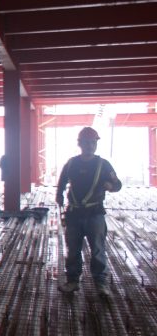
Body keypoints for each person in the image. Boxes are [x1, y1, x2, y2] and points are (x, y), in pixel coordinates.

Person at [54, 127, 121, 297]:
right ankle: (73, 281)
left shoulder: (103, 165)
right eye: (87, 143)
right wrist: (60, 198)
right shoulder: (71, 163)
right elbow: (61, 183)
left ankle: (101, 283)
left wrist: (111, 186)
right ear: (80, 144)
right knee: (73, 249)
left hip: (94, 214)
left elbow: (118, 184)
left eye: (93, 143)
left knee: (98, 249)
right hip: (74, 214)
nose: (90, 146)